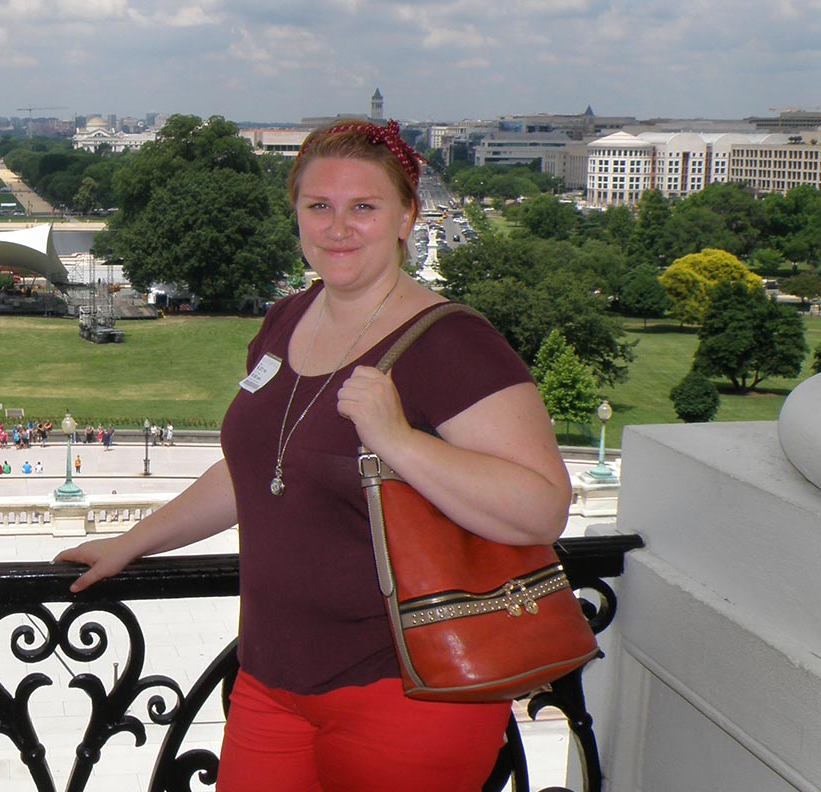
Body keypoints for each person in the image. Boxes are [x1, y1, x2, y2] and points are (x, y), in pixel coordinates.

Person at [54, 119, 571, 792]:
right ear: (296, 213)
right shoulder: (285, 321)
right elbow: (261, 475)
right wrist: (132, 543)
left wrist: (397, 440)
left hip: (410, 690)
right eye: (318, 206)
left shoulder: (453, 344)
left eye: (365, 207)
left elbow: (542, 510)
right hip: (270, 684)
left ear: (407, 216)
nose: (338, 227)